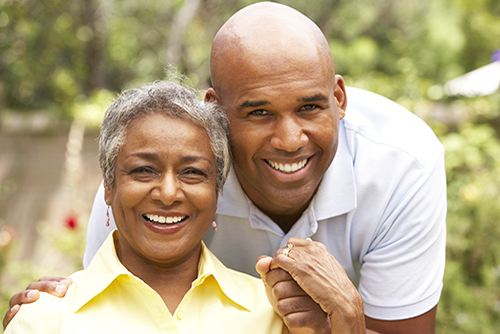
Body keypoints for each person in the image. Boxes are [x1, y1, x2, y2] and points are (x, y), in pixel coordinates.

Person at [4, 2, 446, 333]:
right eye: (258, 113)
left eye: (310, 107)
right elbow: (107, 291)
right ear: (215, 110)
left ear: (340, 99)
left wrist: (344, 320)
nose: (290, 139)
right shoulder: (162, 167)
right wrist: (51, 311)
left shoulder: (402, 164)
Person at [4, 80, 287, 333]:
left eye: (192, 172)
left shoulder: (273, 315)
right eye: (144, 170)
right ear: (109, 186)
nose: (167, 194)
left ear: (217, 192)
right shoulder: (44, 321)